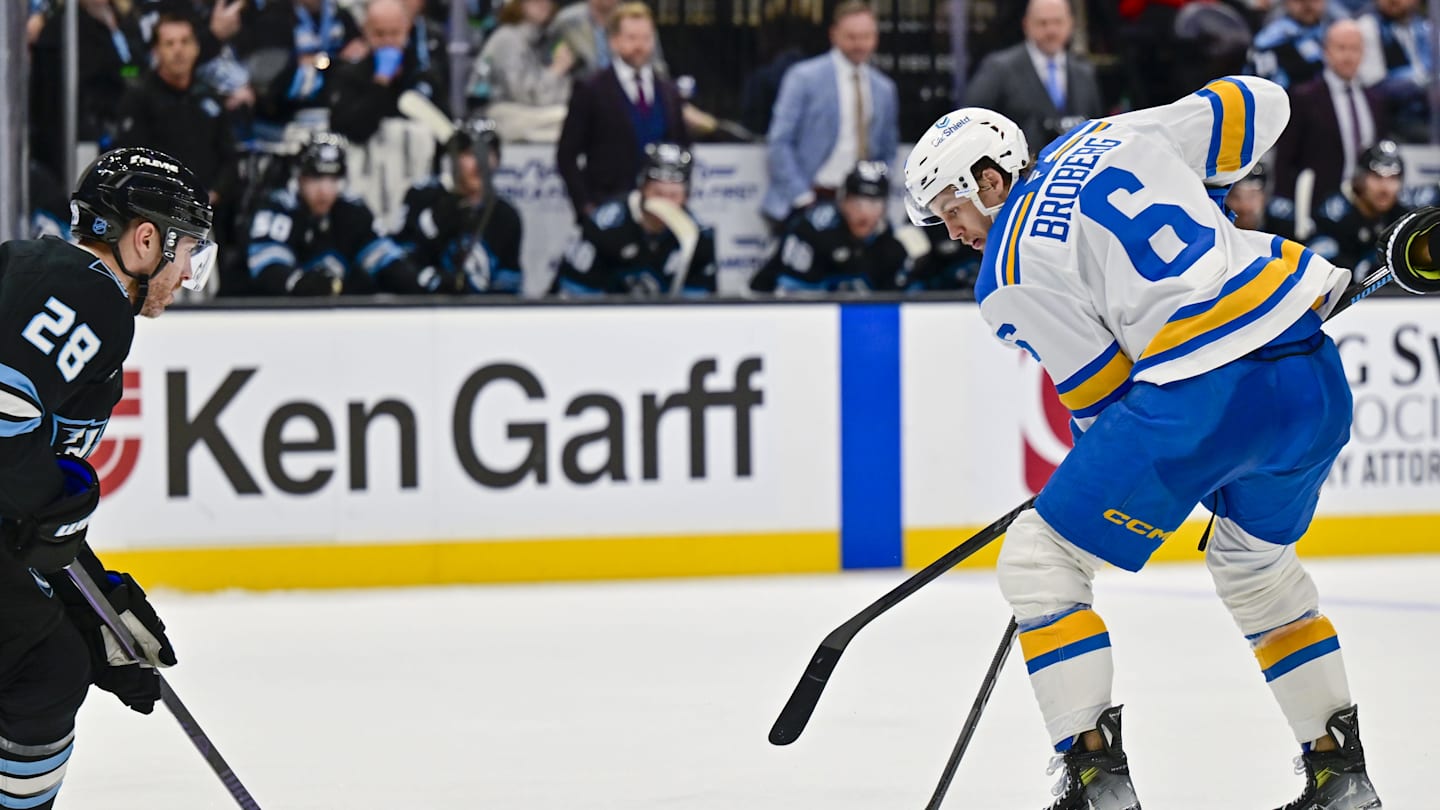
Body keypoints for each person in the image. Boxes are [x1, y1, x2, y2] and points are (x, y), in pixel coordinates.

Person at [903, 77, 1385, 809]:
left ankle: (1097, 785)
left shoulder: (1005, 271)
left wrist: (1094, 476)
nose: (955, 230)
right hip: (1312, 379)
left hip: (1204, 398)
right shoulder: (1112, 134)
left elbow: (1102, 394)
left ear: (989, 178)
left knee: (1041, 560)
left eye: (952, 208)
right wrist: (1210, 192)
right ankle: (1341, 776)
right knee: (1256, 570)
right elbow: (1262, 105)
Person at [0, 147, 210, 809]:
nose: (186, 274)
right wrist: (54, 511)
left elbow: (23, 491)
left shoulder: (56, 285)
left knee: (49, 655)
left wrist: (98, 603)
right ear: (145, 240)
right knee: (43, 668)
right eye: (188, 253)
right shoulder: (88, 294)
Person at [761, 1, 899, 232]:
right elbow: (779, 142)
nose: (860, 44)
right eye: (852, 36)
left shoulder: (884, 88)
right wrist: (802, 197)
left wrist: (875, 195)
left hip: (862, 205)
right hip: (810, 198)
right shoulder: (803, 77)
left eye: (866, 36)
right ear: (834, 35)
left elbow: (888, 149)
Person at [246, 133, 440, 295]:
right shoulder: (279, 207)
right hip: (271, 319)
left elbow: (384, 260)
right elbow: (267, 267)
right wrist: (298, 283)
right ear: (300, 178)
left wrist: (423, 282)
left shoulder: (350, 211)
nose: (324, 190)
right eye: (316, 178)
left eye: (332, 178)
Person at [550, 142, 717, 297]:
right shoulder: (604, 226)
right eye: (658, 193)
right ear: (642, 188)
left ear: (686, 197)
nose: (665, 203)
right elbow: (574, 293)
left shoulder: (698, 235)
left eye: (674, 195)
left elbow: (699, 303)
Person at [394, 118, 525, 294]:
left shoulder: (506, 216)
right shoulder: (423, 199)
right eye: (471, 154)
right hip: (428, 313)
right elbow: (399, 269)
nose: (480, 164)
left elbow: (508, 290)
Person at [750, 161, 907, 294]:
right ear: (843, 200)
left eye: (875, 204)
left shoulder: (889, 241)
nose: (864, 213)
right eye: (858, 203)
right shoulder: (813, 230)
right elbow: (790, 294)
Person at [1306, 140, 1436, 285]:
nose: (1385, 188)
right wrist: (1361, 269)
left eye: (1393, 178)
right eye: (1377, 177)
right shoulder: (1334, 214)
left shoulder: (1402, 213)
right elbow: (1320, 264)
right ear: (1359, 178)